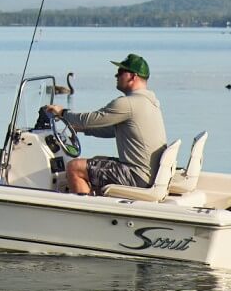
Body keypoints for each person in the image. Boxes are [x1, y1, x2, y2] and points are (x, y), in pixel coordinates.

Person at [41, 53, 167, 196]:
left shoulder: (128, 103)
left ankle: (85, 213)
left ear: (133, 76)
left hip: (136, 176)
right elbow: (113, 130)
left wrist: (63, 112)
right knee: (95, 161)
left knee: (74, 167)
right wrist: (82, 129)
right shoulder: (150, 102)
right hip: (147, 174)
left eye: (120, 72)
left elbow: (92, 118)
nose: (116, 76)